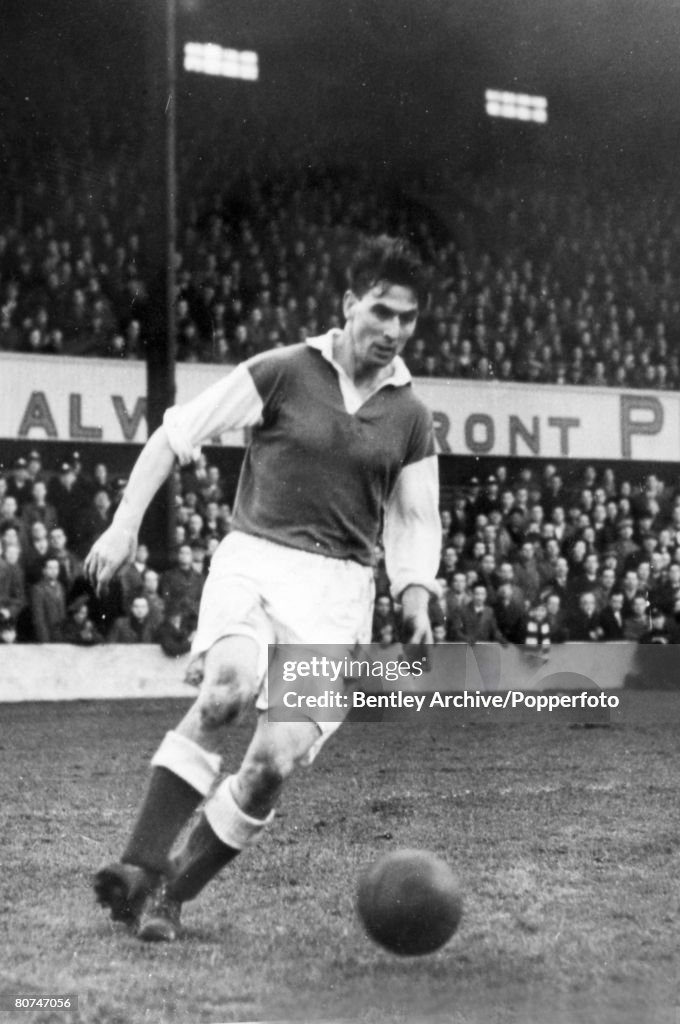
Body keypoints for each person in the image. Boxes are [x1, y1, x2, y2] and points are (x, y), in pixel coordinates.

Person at [85, 236, 439, 943]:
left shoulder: (411, 415)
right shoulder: (283, 370)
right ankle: (137, 865)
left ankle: (171, 894)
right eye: (381, 311)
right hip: (255, 562)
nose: (393, 331)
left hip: (338, 594)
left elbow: (416, 516)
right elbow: (174, 434)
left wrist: (414, 594)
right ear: (349, 305)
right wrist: (124, 527)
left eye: (408, 319)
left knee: (271, 763)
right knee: (226, 690)